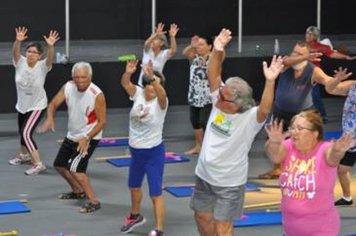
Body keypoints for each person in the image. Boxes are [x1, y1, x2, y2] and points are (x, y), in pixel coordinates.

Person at [190, 28, 284, 236]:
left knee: (223, 228)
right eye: (220, 95)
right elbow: (213, 74)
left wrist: (270, 81)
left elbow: (265, 109)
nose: (218, 100)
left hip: (229, 184)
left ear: (239, 103)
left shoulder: (249, 118)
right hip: (204, 175)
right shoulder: (219, 99)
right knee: (202, 216)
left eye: (225, 99)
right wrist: (217, 49)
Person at [258, 41, 348, 179]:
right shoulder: (285, 65)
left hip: (301, 115)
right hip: (280, 111)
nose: (294, 55)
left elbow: (328, 83)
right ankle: (277, 169)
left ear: (308, 56)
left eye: (299, 53)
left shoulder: (313, 70)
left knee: (301, 142)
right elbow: (287, 60)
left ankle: (304, 170)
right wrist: (303, 57)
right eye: (294, 52)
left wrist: (337, 80)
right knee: (275, 140)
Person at [265, 110, 355, 236]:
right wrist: (274, 142)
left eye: (300, 128)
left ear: (314, 133)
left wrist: (338, 151)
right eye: (292, 128)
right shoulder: (289, 146)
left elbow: (333, 157)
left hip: (321, 228)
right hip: (290, 228)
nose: (294, 132)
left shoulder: (324, 149)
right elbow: (274, 157)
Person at [37, 62, 106, 213]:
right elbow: (53, 104)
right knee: (60, 165)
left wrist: (86, 137)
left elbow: (102, 122)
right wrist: (49, 118)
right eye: (77, 77)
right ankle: (77, 191)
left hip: (89, 136)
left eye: (83, 77)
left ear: (90, 77)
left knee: (76, 170)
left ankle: (93, 201)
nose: (80, 80)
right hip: (72, 134)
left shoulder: (97, 95)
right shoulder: (68, 86)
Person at [120, 60, 168, 236]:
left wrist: (153, 77)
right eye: (149, 85)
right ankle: (135, 216)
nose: (152, 89)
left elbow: (162, 95)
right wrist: (128, 73)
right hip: (136, 152)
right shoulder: (138, 93)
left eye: (155, 85)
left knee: (155, 193)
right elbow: (125, 83)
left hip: (153, 153)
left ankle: (159, 230)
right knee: (133, 186)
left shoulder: (162, 103)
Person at [8, 27, 59, 175]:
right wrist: (18, 41)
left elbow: (50, 58)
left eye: (34, 52)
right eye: (29, 51)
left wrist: (50, 46)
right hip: (22, 105)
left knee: (26, 133)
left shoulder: (43, 66)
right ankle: (24, 156)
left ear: (39, 55)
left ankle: (38, 164)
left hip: (37, 105)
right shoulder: (20, 62)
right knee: (21, 131)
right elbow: (14, 52)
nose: (31, 54)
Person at [305, 26, 356, 123]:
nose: (308, 35)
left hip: (315, 75)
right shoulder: (302, 46)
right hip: (302, 74)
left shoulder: (321, 47)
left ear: (315, 36)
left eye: (310, 34)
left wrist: (345, 57)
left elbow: (332, 54)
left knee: (315, 96)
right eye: (307, 33)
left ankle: (323, 116)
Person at [325, 70, 356, 206]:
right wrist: (337, 79)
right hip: (349, 139)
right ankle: (347, 197)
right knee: (342, 169)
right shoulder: (352, 86)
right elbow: (330, 89)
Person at [182, 35, 214, 155]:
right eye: (198, 44)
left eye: (201, 45)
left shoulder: (213, 58)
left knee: (205, 122)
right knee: (195, 121)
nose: (198, 47)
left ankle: (209, 148)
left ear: (209, 46)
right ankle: (198, 146)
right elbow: (185, 53)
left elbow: (220, 57)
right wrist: (192, 45)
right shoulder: (194, 57)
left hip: (208, 97)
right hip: (195, 95)